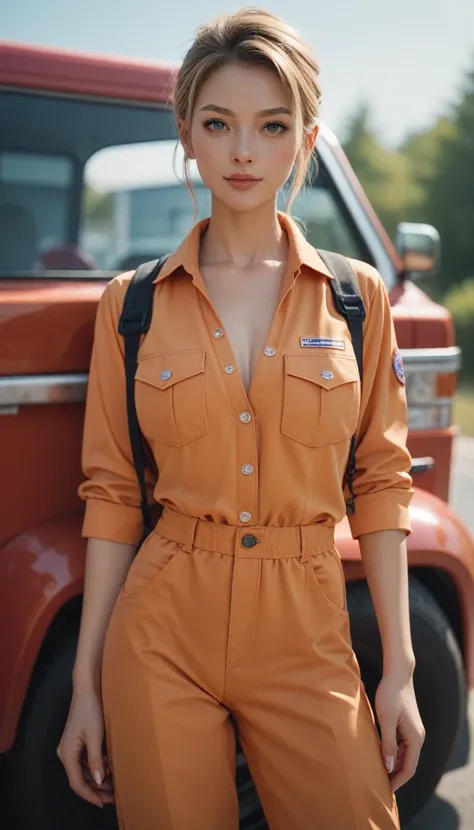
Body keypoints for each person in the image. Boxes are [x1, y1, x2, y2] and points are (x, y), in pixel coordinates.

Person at [57, 8, 425, 829]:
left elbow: (383, 484)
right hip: (161, 630)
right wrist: (85, 688)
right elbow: (113, 496)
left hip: (308, 625)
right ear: (187, 131)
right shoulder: (134, 305)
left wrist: (396, 669)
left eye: (272, 125)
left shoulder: (355, 297)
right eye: (219, 124)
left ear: (306, 136)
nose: (244, 151)